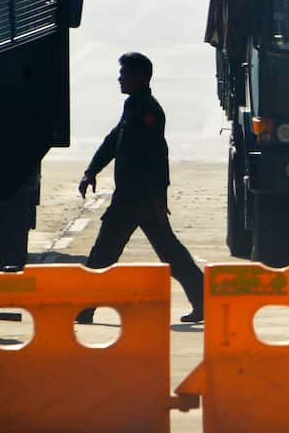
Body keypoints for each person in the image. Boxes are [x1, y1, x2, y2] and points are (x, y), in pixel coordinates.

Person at [77, 52, 205, 324]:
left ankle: (83, 309)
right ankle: (204, 300)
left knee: (103, 254)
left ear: (140, 77)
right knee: (168, 252)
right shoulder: (133, 107)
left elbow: (158, 156)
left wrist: (160, 197)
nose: (119, 78)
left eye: (124, 73)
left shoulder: (149, 111)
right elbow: (113, 141)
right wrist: (91, 170)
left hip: (137, 199)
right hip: (134, 198)